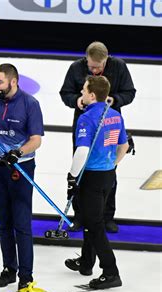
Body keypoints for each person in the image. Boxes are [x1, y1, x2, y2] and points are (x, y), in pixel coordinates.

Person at [59, 41, 136, 233]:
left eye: (98, 67)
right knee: (81, 167)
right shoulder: (76, 68)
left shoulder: (119, 66)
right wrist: (76, 100)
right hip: (84, 123)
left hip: (110, 124)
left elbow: (130, 92)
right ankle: (79, 216)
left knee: (108, 169)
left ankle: (106, 216)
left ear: (106, 60)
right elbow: (65, 93)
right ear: (86, 59)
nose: (93, 70)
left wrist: (114, 100)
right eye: (91, 66)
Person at [0, 63, 44, 290]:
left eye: (0, 82)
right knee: (3, 222)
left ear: (13, 81)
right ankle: (9, 268)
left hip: (21, 167)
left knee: (22, 222)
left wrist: (18, 152)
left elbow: (36, 139)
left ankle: (26, 275)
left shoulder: (30, 104)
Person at [64, 76, 128, 290]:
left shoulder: (86, 118)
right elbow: (124, 145)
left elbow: (81, 150)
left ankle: (111, 271)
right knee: (92, 217)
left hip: (91, 175)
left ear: (92, 95)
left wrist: (72, 176)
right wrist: (112, 164)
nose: (81, 93)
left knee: (94, 223)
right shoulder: (115, 115)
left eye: (83, 90)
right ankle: (86, 262)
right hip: (108, 174)